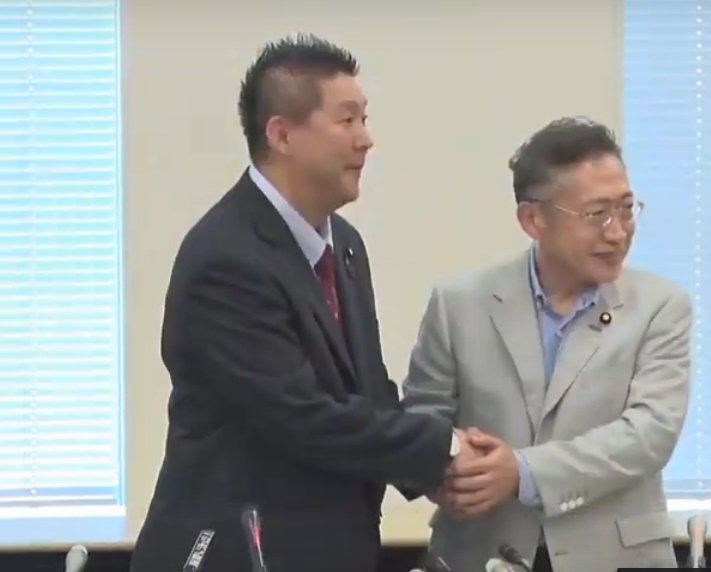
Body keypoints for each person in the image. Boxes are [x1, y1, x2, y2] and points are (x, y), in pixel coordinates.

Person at [129, 34, 478, 572]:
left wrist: (433, 472)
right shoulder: (226, 257)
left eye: (365, 119)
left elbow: (366, 391)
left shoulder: (345, 245)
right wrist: (444, 448)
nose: (366, 140)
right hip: (239, 555)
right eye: (347, 120)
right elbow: (303, 416)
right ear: (282, 134)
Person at [401, 117, 693, 572]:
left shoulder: (660, 307)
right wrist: (447, 468)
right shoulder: (459, 303)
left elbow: (648, 434)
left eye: (626, 209)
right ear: (533, 219)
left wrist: (520, 472)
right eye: (597, 214)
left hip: (615, 556)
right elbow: (423, 418)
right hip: (481, 553)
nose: (618, 232)